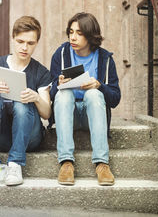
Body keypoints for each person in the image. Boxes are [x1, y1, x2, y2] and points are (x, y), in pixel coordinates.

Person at [0, 16, 52, 186]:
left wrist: (36, 98)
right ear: (13, 38)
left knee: (22, 102)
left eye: (30, 43)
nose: (24, 47)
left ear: (37, 43)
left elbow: (46, 113)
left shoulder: (41, 72)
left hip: (29, 137)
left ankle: (15, 164)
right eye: (20, 41)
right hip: (0, 136)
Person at [49, 12, 121, 186]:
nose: (73, 37)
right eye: (71, 32)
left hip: (93, 115)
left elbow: (115, 98)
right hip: (68, 115)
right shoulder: (61, 53)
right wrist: (57, 84)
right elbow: (51, 96)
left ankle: (102, 163)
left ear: (90, 36)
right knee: (63, 93)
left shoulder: (105, 58)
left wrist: (99, 85)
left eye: (79, 33)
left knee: (94, 93)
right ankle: (66, 162)